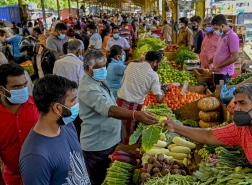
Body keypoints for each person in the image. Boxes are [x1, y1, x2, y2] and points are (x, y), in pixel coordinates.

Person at [78, 49, 158, 185]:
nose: (103, 69)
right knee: (100, 179)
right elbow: (109, 109)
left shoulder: (98, 79)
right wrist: (135, 114)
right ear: (87, 68)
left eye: (104, 66)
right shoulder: (89, 88)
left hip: (107, 139)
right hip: (98, 144)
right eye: (99, 67)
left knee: (109, 176)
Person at [19, 75, 91, 185]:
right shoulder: (35, 157)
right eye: (72, 100)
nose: (76, 104)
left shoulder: (67, 125)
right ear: (57, 107)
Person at [163, 83, 252, 164]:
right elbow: (208, 135)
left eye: (242, 103)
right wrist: (175, 127)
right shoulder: (240, 128)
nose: (236, 109)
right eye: (236, 103)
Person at [0, 63, 39, 185]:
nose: (23, 90)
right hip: (13, 179)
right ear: (2, 90)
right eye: (16, 87)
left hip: (41, 174)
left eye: (24, 85)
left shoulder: (37, 106)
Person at [117, 50, 165, 144]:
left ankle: (118, 146)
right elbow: (159, 98)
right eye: (158, 63)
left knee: (119, 127)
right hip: (133, 106)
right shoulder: (153, 75)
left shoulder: (131, 65)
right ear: (155, 62)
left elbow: (125, 81)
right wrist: (162, 92)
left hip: (120, 102)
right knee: (129, 132)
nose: (158, 66)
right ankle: (126, 150)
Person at [205, 14, 239, 85]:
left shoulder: (232, 36)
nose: (215, 31)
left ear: (222, 26)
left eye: (216, 29)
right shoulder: (222, 35)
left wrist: (219, 66)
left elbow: (235, 57)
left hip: (224, 73)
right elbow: (219, 53)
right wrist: (209, 62)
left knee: (221, 94)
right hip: (217, 71)